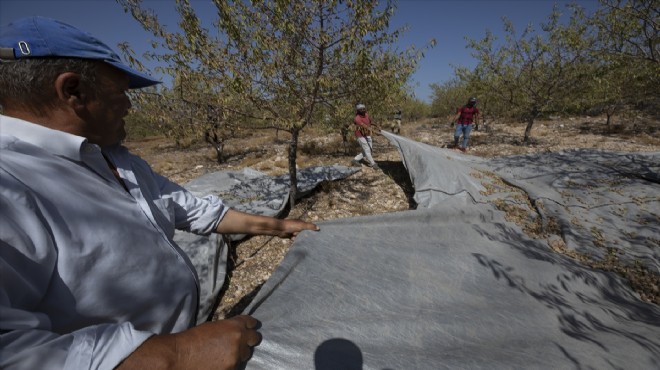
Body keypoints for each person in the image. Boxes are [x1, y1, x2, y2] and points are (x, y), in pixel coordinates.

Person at [0, 16, 319, 370]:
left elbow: (195, 211)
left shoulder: (118, 160)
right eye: (120, 92)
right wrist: (176, 355)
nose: (129, 107)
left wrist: (280, 227)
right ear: (72, 91)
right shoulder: (9, 187)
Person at [350, 103, 380, 169]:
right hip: (360, 135)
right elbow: (365, 126)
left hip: (367, 134)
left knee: (369, 150)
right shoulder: (357, 118)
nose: (363, 110)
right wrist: (374, 131)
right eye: (361, 109)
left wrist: (377, 126)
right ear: (358, 111)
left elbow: (371, 121)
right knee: (367, 149)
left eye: (364, 109)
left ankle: (355, 160)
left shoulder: (366, 115)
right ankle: (373, 164)